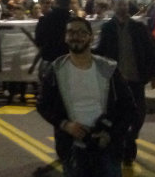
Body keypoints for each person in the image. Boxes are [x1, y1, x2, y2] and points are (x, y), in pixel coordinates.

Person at [37, 17, 138, 177]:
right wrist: (65, 125)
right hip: (72, 148)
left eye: (81, 32)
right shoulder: (56, 70)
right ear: (65, 37)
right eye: (71, 32)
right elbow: (43, 104)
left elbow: (129, 107)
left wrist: (110, 133)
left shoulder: (108, 69)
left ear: (91, 37)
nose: (75, 36)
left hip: (107, 147)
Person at [94, 0, 155, 167]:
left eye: (125, 4)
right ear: (113, 7)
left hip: (136, 79)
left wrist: (152, 73)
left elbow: (150, 50)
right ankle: (125, 148)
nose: (123, 7)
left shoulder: (138, 27)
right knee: (118, 116)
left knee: (138, 115)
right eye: (119, 5)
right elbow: (101, 50)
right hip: (116, 81)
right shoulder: (108, 28)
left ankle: (131, 137)